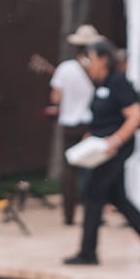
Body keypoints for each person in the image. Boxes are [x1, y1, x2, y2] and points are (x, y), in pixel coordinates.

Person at [62, 39, 140, 265]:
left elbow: (136, 115)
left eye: (90, 59)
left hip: (115, 149)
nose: (87, 64)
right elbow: (103, 118)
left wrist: (115, 140)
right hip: (100, 149)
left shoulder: (119, 82)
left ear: (104, 59)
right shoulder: (99, 85)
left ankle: (87, 252)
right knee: (116, 196)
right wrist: (92, 135)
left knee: (92, 191)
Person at [48, 24, 103, 226]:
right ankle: (93, 213)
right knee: (92, 169)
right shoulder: (96, 68)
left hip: (69, 124)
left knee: (69, 172)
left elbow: (55, 98)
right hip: (89, 124)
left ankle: (69, 215)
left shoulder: (65, 68)